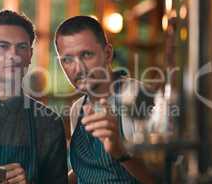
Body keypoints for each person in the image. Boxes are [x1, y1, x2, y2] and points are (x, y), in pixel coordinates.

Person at [0, 10, 68, 184]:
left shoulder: (49, 123)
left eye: (21, 47)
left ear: (29, 55)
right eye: (2, 46)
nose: (13, 55)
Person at [54, 16, 155, 184]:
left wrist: (120, 151)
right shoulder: (77, 109)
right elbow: (85, 172)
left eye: (86, 55)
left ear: (108, 54)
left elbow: (163, 178)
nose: (78, 68)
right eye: (67, 59)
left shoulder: (140, 98)